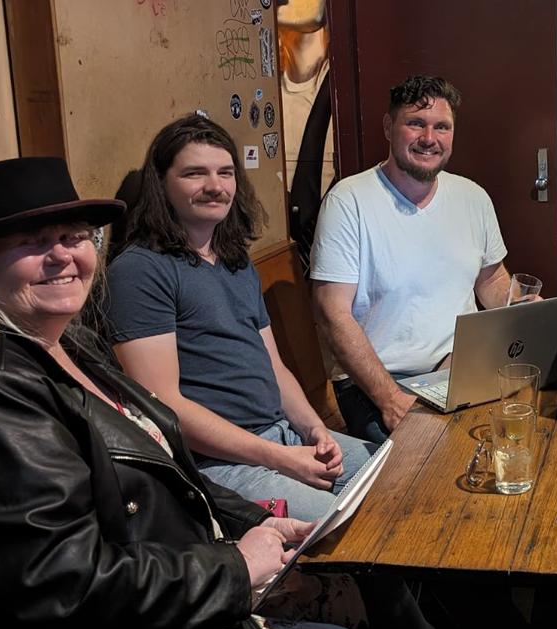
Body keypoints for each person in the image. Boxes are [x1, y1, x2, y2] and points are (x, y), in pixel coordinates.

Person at [0, 157, 417, 629]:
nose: (63, 255)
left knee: (350, 579)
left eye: (73, 236)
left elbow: (172, 471)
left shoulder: (61, 337)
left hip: (169, 580)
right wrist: (235, 567)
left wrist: (254, 523)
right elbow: (58, 586)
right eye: (32, 242)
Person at [105, 114, 375, 523]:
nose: (215, 186)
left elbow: (274, 367)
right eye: (195, 173)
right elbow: (165, 407)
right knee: (354, 531)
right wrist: (282, 459)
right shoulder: (140, 270)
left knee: (398, 490)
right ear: (161, 184)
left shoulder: (236, 262)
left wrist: (314, 430)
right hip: (219, 465)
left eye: (225, 172)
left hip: (280, 437)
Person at [310, 74, 514, 442]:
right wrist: (390, 399)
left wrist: (524, 307)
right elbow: (331, 313)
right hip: (379, 381)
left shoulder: (473, 197)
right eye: (415, 123)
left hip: (462, 369)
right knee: (435, 465)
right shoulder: (348, 201)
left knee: (524, 430)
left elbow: (492, 280)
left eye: (442, 127)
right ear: (389, 127)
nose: (429, 138)